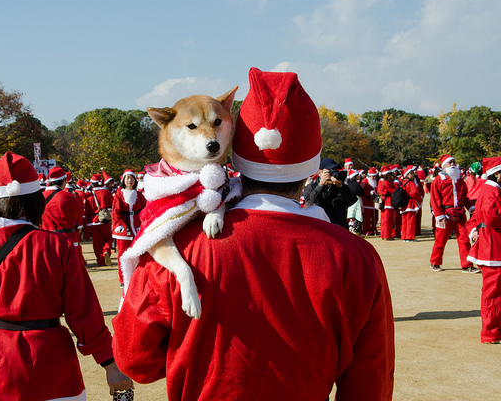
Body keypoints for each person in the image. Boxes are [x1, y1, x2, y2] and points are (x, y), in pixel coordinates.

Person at [112, 68, 395, 400]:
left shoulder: (179, 247)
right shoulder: (357, 256)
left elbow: (136, 361)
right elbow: (369, 383)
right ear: (312, 165)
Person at [0, 152, 132, 400]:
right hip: (49, 364)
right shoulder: (59, 247)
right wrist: (110, 364)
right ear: (36, 200)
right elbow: (84, 313)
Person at [470, 157, 501, 343]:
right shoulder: (491, 190)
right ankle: (490, 333)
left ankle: (494, 329)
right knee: (493, 293)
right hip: (493, 249)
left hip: (493, 247)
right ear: (496, 173)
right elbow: (490, 217)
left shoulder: (491, 189)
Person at [429, 155, 478, 273]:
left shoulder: (460, 180)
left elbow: (464, 197)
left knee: (464, 240)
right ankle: (435, 262)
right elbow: (435, 200)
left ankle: (467, 265)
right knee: (441, 240)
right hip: (445, 215)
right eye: (450, 162)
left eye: (454, 162)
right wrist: (439, 216)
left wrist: (471, 207)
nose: (452, 164)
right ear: (443, 165)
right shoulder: (438, 180)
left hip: (460, 214)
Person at [41, 166, 84, 261]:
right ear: (64, 180)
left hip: (46, 237)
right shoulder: (68, 196)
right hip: (67, 236)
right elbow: (77, 214)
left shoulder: (40, 197)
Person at [111, 170, 146, 287]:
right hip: (123, 230)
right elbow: (115, 212)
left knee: (138, 253)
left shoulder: (140, 195)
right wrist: (118, 225)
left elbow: (144, 211)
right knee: (122, 254)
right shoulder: (118, 195)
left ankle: (138, 275)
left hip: (137, 229)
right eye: (127, 178)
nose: (129, 181)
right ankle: (123, 279)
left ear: (135, 180)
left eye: (131, 178)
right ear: (123, 180)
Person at [303, 158, 358, 229]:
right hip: (319, 227)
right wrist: (320, 185)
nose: (332, 175)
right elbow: (310, 201)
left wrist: (341, 186)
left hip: (338, 227)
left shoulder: (339, 187)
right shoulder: (311, 187)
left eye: (334, 171)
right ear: (320, 173)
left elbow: (352, 201)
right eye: (329, 172)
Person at [85, 173, 114, 266]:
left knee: (96, 242)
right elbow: (113, 205)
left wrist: (86, 223)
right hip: (105, 219)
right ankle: (106, 250)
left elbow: (86, 211)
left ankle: (100, 260)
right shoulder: (106, 192)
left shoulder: (88, 195)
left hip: (93, 221)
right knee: (108, 237)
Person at [400, 165, 424, 242]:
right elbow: (414, 193)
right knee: (411, 221)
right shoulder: (411, 183)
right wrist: (420, 200)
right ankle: (410, 237)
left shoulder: (403, 182)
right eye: (411, 174)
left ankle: (404, 236)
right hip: (410, 204)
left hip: (404, 204)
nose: (413, 175)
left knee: (404, 222)